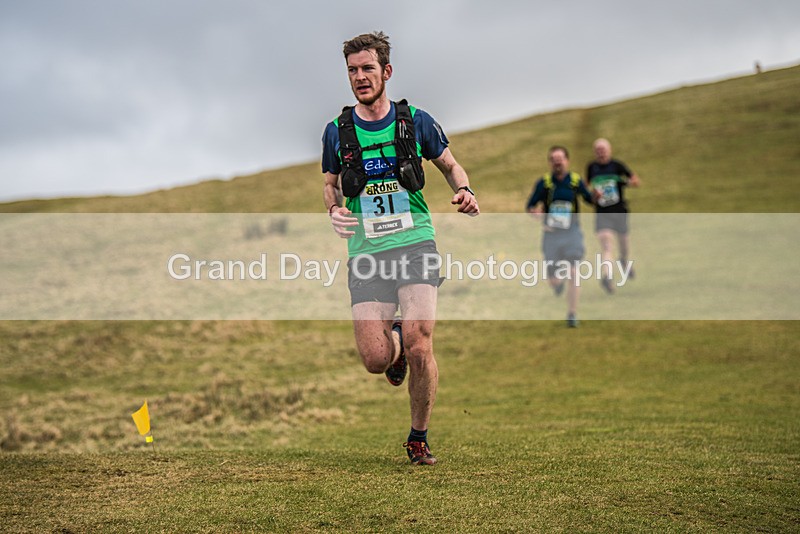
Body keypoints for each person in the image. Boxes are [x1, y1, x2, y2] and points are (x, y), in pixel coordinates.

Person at [321, 31, 479, 466]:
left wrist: (464, 189)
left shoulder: (415, 121)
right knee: (375, 359)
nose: (359, 77)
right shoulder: (337, 132)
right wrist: (333, 210)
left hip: (415, 242)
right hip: (366, 251)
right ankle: (394, 346)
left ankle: (418, 437)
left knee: (421, 340)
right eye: (352, 70)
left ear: (386, 71)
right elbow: (330, 186)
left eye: (367, 68)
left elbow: (449, 164)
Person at [526, 146, 595, 327]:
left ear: (567, 160)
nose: (558, 162)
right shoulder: (545, 183)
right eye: (554, 160)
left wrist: (596, 196)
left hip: (572, 233)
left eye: (561, 159)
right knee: (554, 279)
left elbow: (589, 199)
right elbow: (530, 205)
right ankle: (557, 284)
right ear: (550, 162)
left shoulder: (575, 180)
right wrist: (536, 213)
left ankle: (572, 314)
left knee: (574, 272)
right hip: (552, 236)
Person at [586, 138, 641, 293]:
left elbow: (635, 180)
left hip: (619, 211)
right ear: (594, 152)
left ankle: (623, 261)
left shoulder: (617, 166)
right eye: (598, 150)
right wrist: (594, 195)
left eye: (603, 150)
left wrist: (627, 183)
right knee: (607, 246)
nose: (601, 153)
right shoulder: (592, 168)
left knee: (623, 246)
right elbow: (586, 187)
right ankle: (607, 277)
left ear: (609, 151)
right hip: (602, 213)